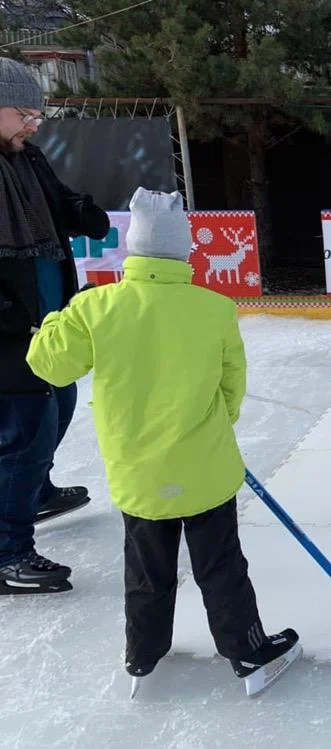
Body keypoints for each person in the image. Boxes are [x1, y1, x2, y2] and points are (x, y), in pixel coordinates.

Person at [24, 187, 301, 697]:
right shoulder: (214, 309)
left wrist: (57, 322)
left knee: (147, 570)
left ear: (134, 246)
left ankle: (143, 652)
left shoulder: (95, 307)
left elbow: (49, 365)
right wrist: (212, 427)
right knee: (221, 567)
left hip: (139, 474)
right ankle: (246, 651)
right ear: (185, 249)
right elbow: (231, 388)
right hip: (206, 468)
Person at [0, 56, 109, 595]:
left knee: (58, 405)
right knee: (24, 433)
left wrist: (85, 212)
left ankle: (34, 492)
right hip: (9, 333)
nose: (34, 123)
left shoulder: (28, 156)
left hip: (48, 316)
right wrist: (12, 322)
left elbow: (58, 202)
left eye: (38, 115)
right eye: (24, 113)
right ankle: (7, 555)